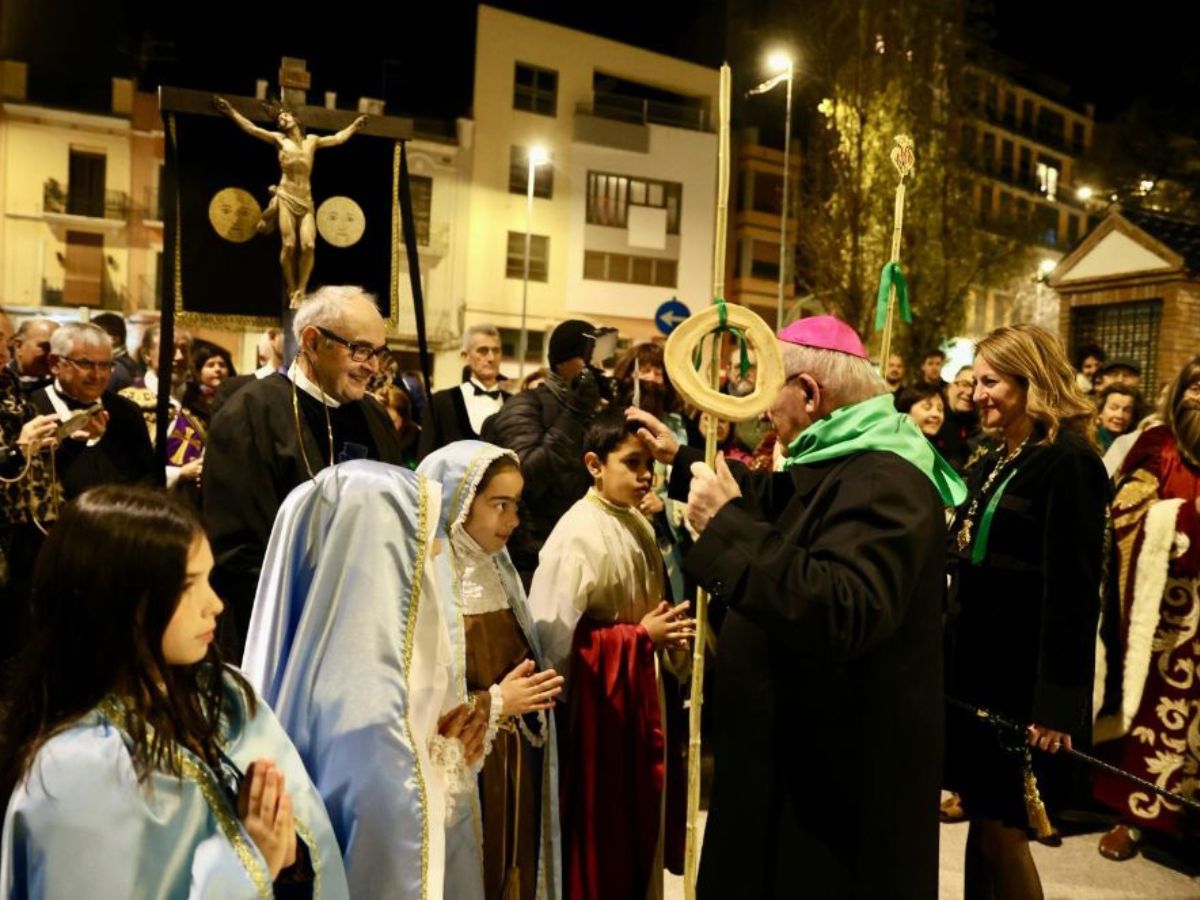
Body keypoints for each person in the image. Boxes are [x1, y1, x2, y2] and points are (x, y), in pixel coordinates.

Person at [630, 314, 963, 898]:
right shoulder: (849, 462)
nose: (761, 410)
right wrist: (682, 461)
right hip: (800, 762)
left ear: (809, 393)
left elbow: (843, 608)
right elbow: (777, 505)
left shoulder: (885, 478)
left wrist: (724, 529)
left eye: (767, 391)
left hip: (834, 788)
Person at [0, 485, 348, 898]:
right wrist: (249, 868)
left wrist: (291, 860)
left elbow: (305, 843)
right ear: (119, 601)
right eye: (187, 586)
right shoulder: (74, 771)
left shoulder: (224, 697)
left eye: (208, 578)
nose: (214, 604)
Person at [242, 459, 485, 898]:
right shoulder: (369, 709)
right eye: (424, 541)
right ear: (381, 557)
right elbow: (395, 830)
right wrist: (441, 769)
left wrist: (443, 755)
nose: (435, 554)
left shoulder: (315, 670)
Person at [945, 324, 1109, 898]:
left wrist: (1056, 706)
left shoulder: (1069, 462)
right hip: (977, 674)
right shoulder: (998, 454)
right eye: (974, 381)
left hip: (1021, 684)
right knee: (983, 825)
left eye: (991, 382)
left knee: (1004, 834)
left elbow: (1075, 590)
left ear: (1029, 382)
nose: (978, 393)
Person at [528, 409, 692, 900]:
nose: (647, 476)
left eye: (650, 465)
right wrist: (639, 638)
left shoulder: (637, 522)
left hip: (642, 698)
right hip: (601, 717)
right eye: (633, 463)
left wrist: (665, 640)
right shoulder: (577, 532)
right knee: (607, 835)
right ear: (594, 465)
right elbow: (552, 639)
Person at [203, 285, 404, 652]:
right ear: (312, 341)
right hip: (283, 632)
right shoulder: (250, 413)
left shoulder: (374, 416)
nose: (373, 366)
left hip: (367, 627)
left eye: (378, 353)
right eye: (360, 350)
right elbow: (238, 553)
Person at [418, 442, 565, 900]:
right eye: (499, 505)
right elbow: (425, 702)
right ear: (459, 502)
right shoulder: (428, 582)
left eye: (515, 505)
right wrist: (498, 702)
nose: (513, 521)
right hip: (468, 769)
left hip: (514, 764)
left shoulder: (500, 569)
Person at [1092, 356, 1200, 861]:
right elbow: (1122, 509)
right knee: (1153, 709)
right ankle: (1133, 815)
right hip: (1164, 607)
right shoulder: (1155, 444)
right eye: (1195, 386)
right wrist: (1175, 520)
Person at [482, 320, 605, 583]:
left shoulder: (592, 409)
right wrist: (575, 412)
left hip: (583, 552)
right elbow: (527, 474)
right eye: (589, 358)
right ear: (562, 363)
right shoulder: (525, 405)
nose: (597, 368)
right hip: (532, 560)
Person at [215, 96, 367, 304]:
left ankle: (301, 289)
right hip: (286, 197)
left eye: (284, 116)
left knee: (309, 245)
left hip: (306, 201)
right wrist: (231, 111)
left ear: (295, 118)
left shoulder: (312, 141)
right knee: (288, 245)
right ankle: (291, 287)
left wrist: (354, 127)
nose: (281, 121)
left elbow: (337, 138)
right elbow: (252, 129)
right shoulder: (279, 140)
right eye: (279, 120)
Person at [30, 322, 156, 499]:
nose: (97, 375)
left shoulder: (127, 411)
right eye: (86, 364)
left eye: (105, 365)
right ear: (55, 364)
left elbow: (148, 478)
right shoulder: (30, 408)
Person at [418, 325, 510, 459]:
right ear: (465, 356)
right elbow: (426, 459)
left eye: (496, 351)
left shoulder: (515, 404)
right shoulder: (440, 402)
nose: (491, 358)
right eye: (483, 351)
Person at [936, 365, 983, 472]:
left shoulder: (977, 427)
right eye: (965, 384)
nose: (970, 392)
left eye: (975, 387)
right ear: (951, 386)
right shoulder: (930, 414)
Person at [182, 339, 237, 427]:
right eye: (210, 365)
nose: (218, 369)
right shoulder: (189, 397)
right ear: (198, 372)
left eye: (222, 365)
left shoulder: (236, 396)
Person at [6, 319, 58, 398]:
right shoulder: (4, 382)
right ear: (18, 346)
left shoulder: (60, 387)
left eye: (57, 349)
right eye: (46, 347)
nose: (52, 355)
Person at [92, 312, 139, 392]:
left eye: (96, 335)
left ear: (114, 339)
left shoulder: (114, 369)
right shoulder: (129, 363)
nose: (91, 340)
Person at [1094, 383, 1138, 452]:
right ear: (1100, 412)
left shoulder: (1136, 444)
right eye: (1113, 408)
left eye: (1127, 410)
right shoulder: (1089, 441)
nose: (1120, 415)